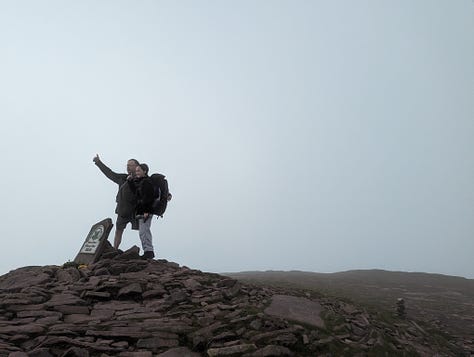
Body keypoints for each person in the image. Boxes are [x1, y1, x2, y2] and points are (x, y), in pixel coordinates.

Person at [93, 154, 139, 249]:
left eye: (130, 165)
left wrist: (167, 194)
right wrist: (99, 163)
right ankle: (115, 249)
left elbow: (153, 187)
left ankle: (147, 251)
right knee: (118, 230)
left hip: (136, 211)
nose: (128, 167)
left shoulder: (143, 179)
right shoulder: (123, 178)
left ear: (137, 167)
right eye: (127, 165)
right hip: (123, 210)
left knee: (143, 231)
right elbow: (110, 173)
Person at [129, 163, 156, 259]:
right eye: (136, 171)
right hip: (142, 210)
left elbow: (148, 197)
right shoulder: (141, 181)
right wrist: (130, 182)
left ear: (145, 171)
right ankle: (147, 251)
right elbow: (137, 194)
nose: (137, 173)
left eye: (139, 170)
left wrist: (146, 211)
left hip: (146, 211)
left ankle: (149, 252)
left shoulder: (147, 182)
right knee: (142, 231)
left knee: (144, 231)